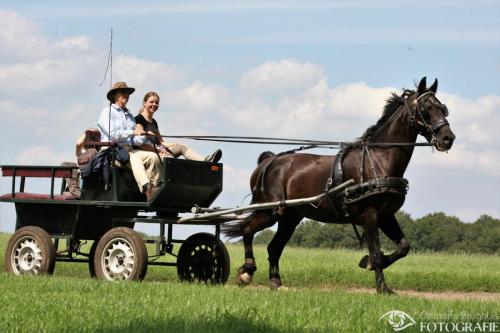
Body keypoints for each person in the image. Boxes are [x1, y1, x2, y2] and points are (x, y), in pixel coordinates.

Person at [96, 82, 162, 200]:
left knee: (153, 157)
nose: (126, 95)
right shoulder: (107, 112)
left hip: (128, 150)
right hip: (112, 152)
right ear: (115, 95)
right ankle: (147, 189)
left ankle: (155, 188)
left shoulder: (130, 115)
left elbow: (133, 141)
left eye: (127, 93)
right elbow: (113, 134)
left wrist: (145, 136)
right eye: (123, 93)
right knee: (134, 158)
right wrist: (133, 132)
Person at [134, 91, 222, 163]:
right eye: (151, 102)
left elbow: (161, 142)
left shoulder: (154, 122)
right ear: (145, 103)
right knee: (170, 159)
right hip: (150, 152)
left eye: (156, 103)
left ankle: (206, 161)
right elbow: (139, 141)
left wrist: (176, 144)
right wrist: (157, 150)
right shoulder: (139, 119)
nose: (154, 104)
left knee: (182, 147)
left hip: (159, 149)